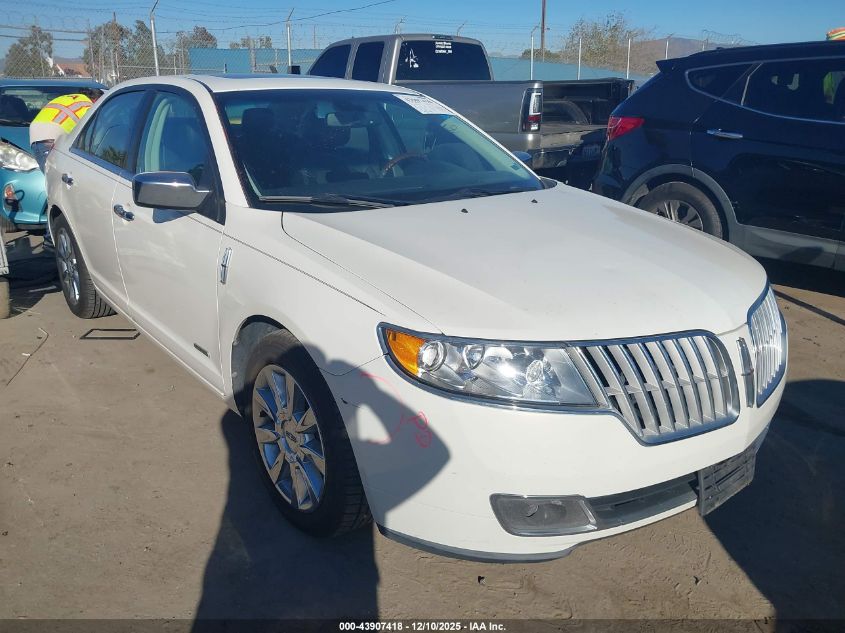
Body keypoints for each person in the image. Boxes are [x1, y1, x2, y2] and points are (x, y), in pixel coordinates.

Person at [29, 90, 100, 248]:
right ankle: (50, 239)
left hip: (38, 136)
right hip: (49, 139)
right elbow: (92, 131)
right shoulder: (87, 105)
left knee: (60, 186)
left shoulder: (69, 99)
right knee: (58, 188)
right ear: (95, 99)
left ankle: (53, 236)